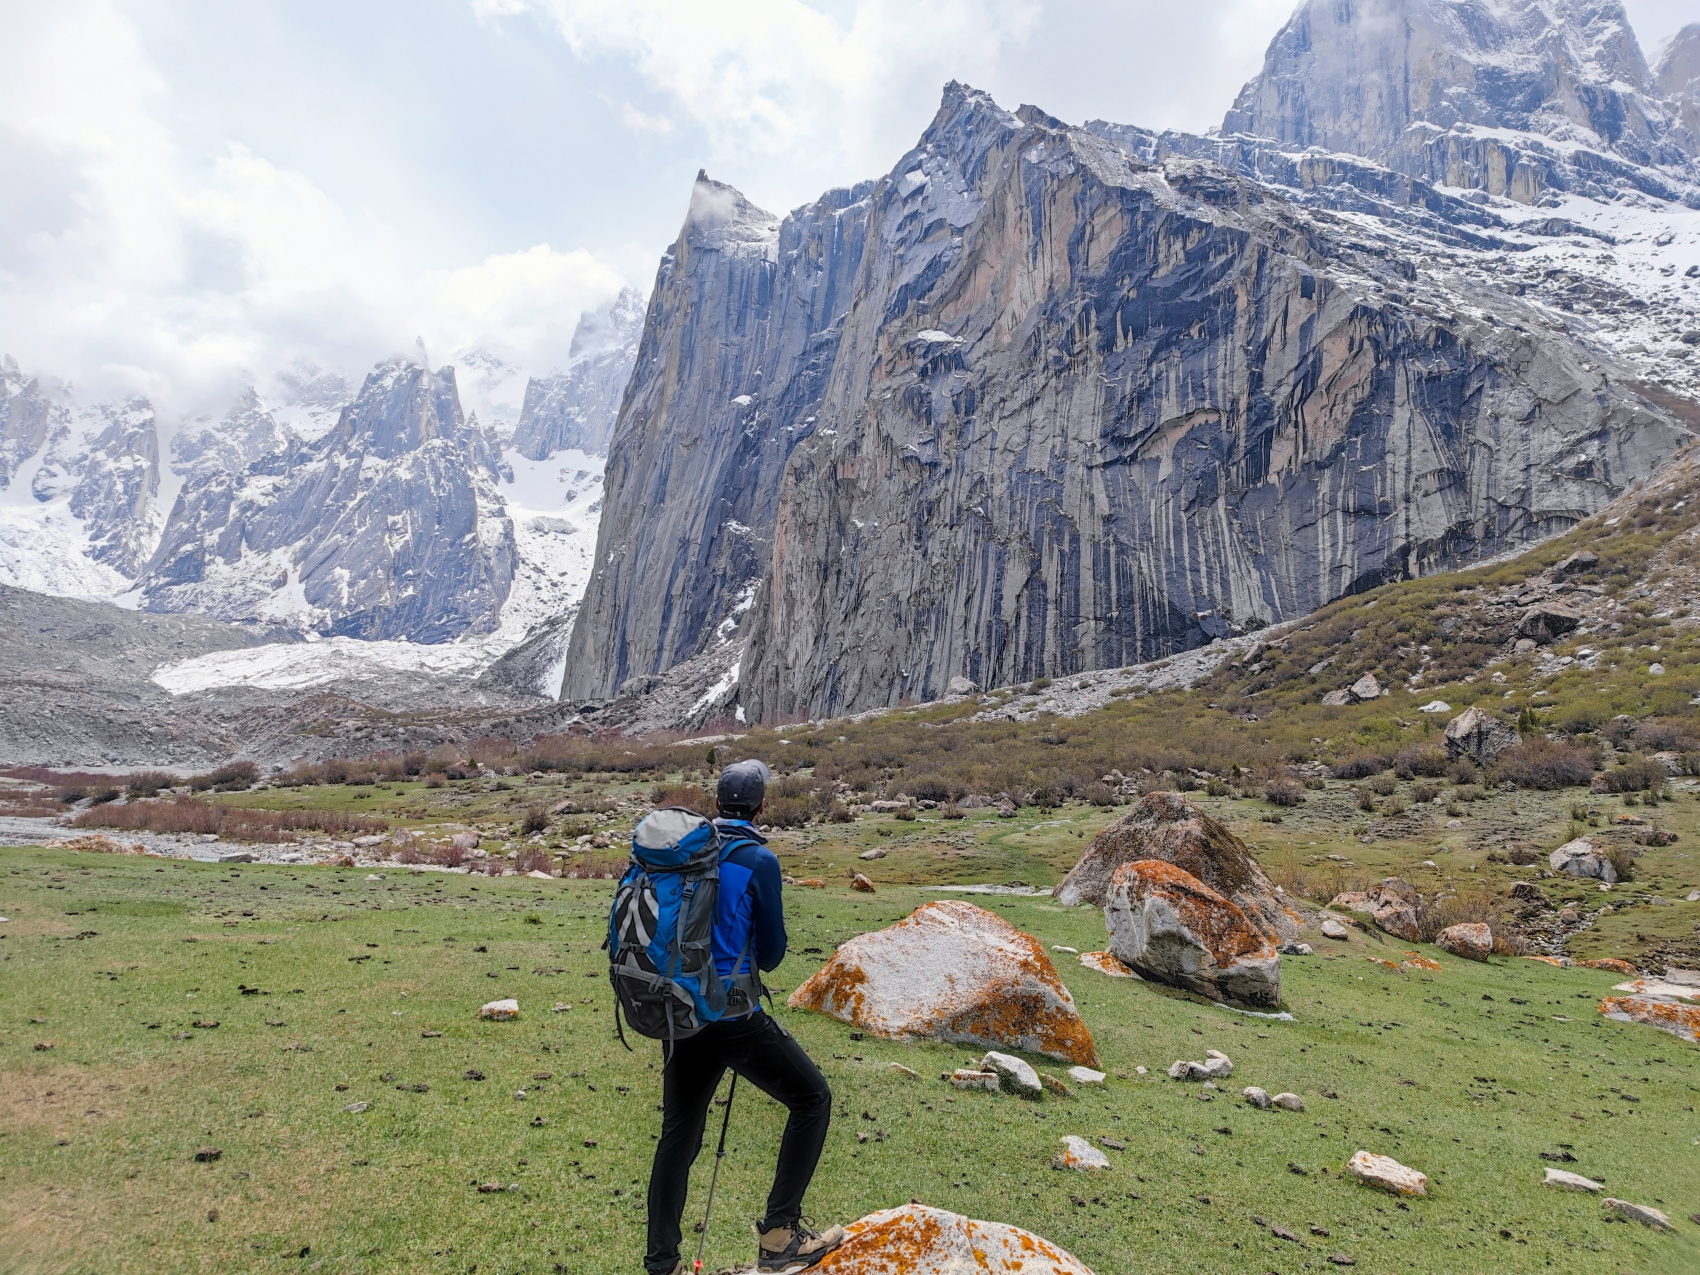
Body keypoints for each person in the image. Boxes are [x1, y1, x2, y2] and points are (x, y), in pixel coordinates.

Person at [644, 759, 845, 1275]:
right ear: (761, 807)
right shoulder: (758, 860)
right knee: (812, 1098)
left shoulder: (682, 853)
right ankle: (780, 1236)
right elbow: (774, 953)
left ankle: (661, 1263)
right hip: (734, 1018)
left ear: (715, 804)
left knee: (679, 1137)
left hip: (682, 1013)